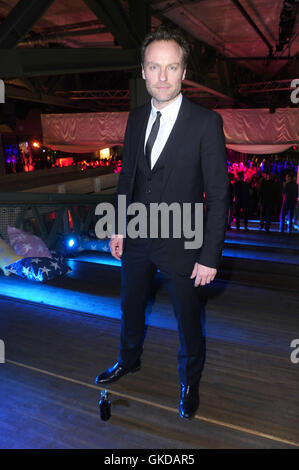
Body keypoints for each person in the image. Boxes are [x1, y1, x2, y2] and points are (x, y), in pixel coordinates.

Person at [95, 26, 229, 420]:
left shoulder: (206, 122)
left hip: (183, 240)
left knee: (188, 319)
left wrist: (209, 256)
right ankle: (128, 359)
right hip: (136, 232)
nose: (163, 77)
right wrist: (118, 225)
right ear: (143, 71)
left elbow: (219, 195)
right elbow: (127, 177)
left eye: (172, 67)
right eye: (155, 67)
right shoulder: (136, 118)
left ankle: (189, 380)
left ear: (184, 72)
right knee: (130, 306)